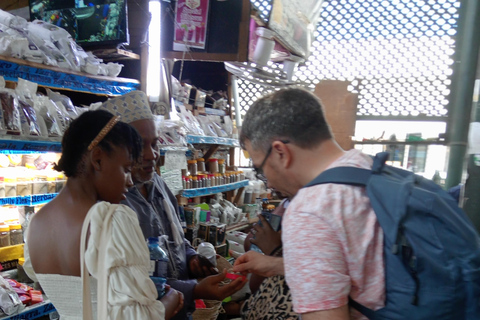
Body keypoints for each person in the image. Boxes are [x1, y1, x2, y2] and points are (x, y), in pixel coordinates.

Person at [233, 87, 385, 320]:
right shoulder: (367, 169)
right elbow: (358, 266)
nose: (268, 182)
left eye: (259, 167)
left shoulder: (310, 210)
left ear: (280, 152)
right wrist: (276, 265)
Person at [98, 90, 246, 319]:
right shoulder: (111, 202)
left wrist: (192, 259)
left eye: (155, 143)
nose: (151, 154)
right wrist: (194, 289)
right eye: (139, 146)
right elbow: (131, 280)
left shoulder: (158, 182)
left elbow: (178, 240)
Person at [24, 110, 183, 319]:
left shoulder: (37, 222)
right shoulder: (111, 219)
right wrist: (170, 302)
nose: (129, 181)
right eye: (126, 169)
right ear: (97, 159)